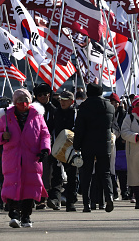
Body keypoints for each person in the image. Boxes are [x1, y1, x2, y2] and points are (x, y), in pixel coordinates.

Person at [0, 88, 51, 228]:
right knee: (12, 186)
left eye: (25, 100)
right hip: (12, 158)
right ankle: (14, 214)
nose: (23, 103)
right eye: (19, 100)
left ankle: (26, 215)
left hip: (31, 158)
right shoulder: (6, 117)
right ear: (14, 102)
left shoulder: (37, 116)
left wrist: (45, 149)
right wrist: (2, 137)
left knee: (30, 187)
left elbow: (45, 134)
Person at [73, 84, 115, 213]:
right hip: (104, 142)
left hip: (88, 143)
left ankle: (86, 203)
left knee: (87, 174)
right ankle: (109, 196)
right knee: (105, 172)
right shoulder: (110, 106)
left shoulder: (84, 107)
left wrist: (76, 145)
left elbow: (79, 128)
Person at [51, 90, 80, 212]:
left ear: (71, 101)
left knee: (72, 175)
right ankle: (55, 200)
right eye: (61, 99)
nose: (62, 102)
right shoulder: (55, 112)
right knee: (56, 175)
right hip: (57, 147)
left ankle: (70, 202)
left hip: (71, 148)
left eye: (65, 100)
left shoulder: (75, 113)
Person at [32, 82, 59, 210]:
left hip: (49, 145)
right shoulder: (32, 110)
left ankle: (47, 198)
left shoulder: (54, 110)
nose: (43, 97)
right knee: (34, 173)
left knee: (49, 173)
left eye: (46, 94)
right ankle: (35, 197)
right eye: (40, 95)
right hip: (33, 145)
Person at [110, 93, 129, 202]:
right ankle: (114, 192)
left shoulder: (124, 114)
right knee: (112, 170)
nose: (114, 104)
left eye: (115, 102)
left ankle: (124, 192)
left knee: (122, 171)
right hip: (112, 144)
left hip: (122, 145)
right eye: (112, 102)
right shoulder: (109, 113)